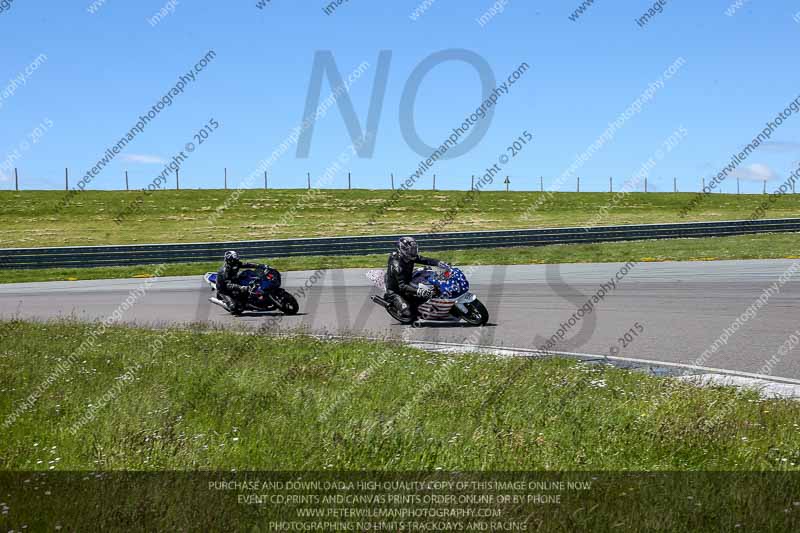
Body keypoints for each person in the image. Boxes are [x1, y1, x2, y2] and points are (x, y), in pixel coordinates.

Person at [384, 236, 449, 320]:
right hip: (396, 290)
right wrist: (419, 291)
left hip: (409, 279)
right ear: (403, 249)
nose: (413, 252)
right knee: (409, 313)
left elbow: (424, 260)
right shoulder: (397, 266)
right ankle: (394, 301)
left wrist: (439, 263)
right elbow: (402, 286)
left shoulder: (408, 256)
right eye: (411, 250)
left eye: (414, 249)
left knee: (429, 278)